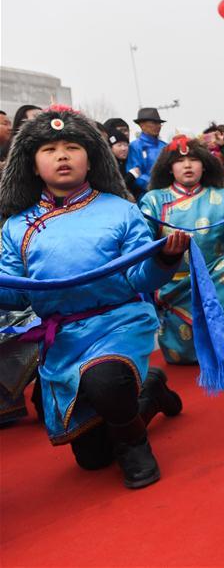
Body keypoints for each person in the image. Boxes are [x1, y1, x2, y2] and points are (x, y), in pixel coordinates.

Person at [0, 108, 187, 488]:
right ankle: (149, 390)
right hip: (63, 338)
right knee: (93, 459)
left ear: (92, 159)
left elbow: (140, 275)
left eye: (72, 146)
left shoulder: (121, 210)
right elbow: (16, 293)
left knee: (105, 381)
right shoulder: (16, 226)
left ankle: (135, 445)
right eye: (50, 149)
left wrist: (166, 258)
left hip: (117, 322)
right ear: (33, 165)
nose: (62, 155)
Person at [140, 136, 224, 368]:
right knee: (182, 356)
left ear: (205, 164)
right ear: (169, 168)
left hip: (217, 272)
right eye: (180, 161)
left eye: (194, 159)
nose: (188, 165)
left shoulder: (221, 196)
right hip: (175, 281)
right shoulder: (153, 200)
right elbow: (142, 239)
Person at [125, 107, 168, 196]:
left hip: (168, 193)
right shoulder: (135, 146)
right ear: (142, 125)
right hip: (146, 195)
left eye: (159, 123)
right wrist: (155, 185)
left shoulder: (165, 146)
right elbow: (135, 174)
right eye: (154, 123)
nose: (158, 126)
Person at [108, 127, 141, 197]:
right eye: (119, 145)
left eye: (126, 145)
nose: (123, 148)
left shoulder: (129, 162)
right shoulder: (108, 165)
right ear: (111, 148)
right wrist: (131, 175)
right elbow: (114, 189)